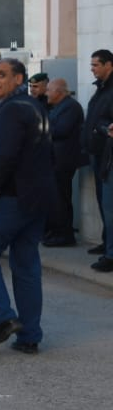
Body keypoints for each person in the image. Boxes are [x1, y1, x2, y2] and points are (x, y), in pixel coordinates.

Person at [0, 59, 54, 352]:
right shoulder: (34, 106)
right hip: (35, 199)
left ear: (19, 79)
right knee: (26, 265)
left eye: (2, 75)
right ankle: (29, 337)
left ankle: (3, 318)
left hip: (12, 197)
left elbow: (5, 156)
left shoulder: (12, 109)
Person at [43, 79, 85, 247]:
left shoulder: (71, 107)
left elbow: (61, 130)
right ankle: (55, 232)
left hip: (63, 160)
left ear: (59, 92)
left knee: (61, 198)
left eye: (49, 90)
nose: (46, 93)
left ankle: (64, 235)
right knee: (55, 198)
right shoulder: (58, 107)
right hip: (54, 159)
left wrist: (42, 128)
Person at [81, 50, 113, 256]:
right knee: (103, 203)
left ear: (109, 65)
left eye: (95, 65)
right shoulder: (101, 88)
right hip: (98, 154)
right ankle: (107, 242)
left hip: (108, 156)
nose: (92, 69)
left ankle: (110, 253)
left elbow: (106, 122)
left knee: (109, 206)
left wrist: (102, 127)